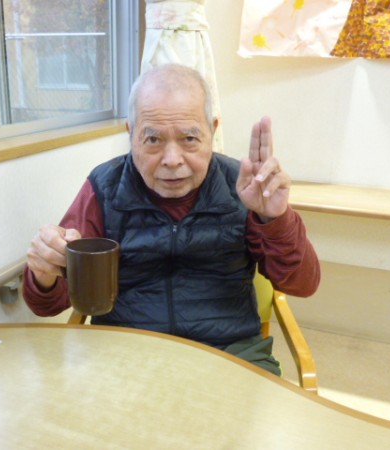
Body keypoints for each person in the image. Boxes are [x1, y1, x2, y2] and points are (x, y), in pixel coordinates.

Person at [23, 63, 320, 375]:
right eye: (153, 140)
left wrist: (275, 220)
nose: (172, 160)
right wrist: (44, 272)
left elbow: (303, 284)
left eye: (189, 138)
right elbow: (46, 305)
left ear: (212, 130)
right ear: (130, 133)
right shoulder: (105, 186)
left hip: (229, 351)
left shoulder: (243, 187)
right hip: (125, 350)